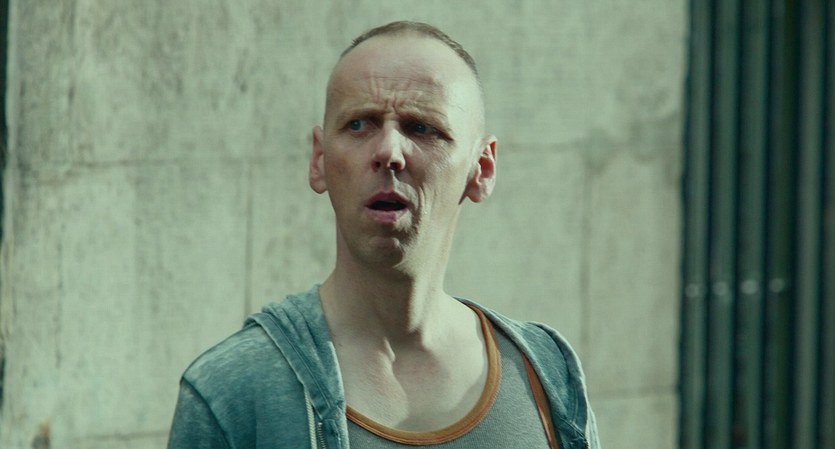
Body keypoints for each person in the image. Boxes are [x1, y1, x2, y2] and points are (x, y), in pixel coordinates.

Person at [167, 21, 600, 449]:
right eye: (359, 125)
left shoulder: (544, 374)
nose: (389, 152)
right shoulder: (234, 392)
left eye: (421, 127)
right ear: (319, 159)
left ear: (482, 168)